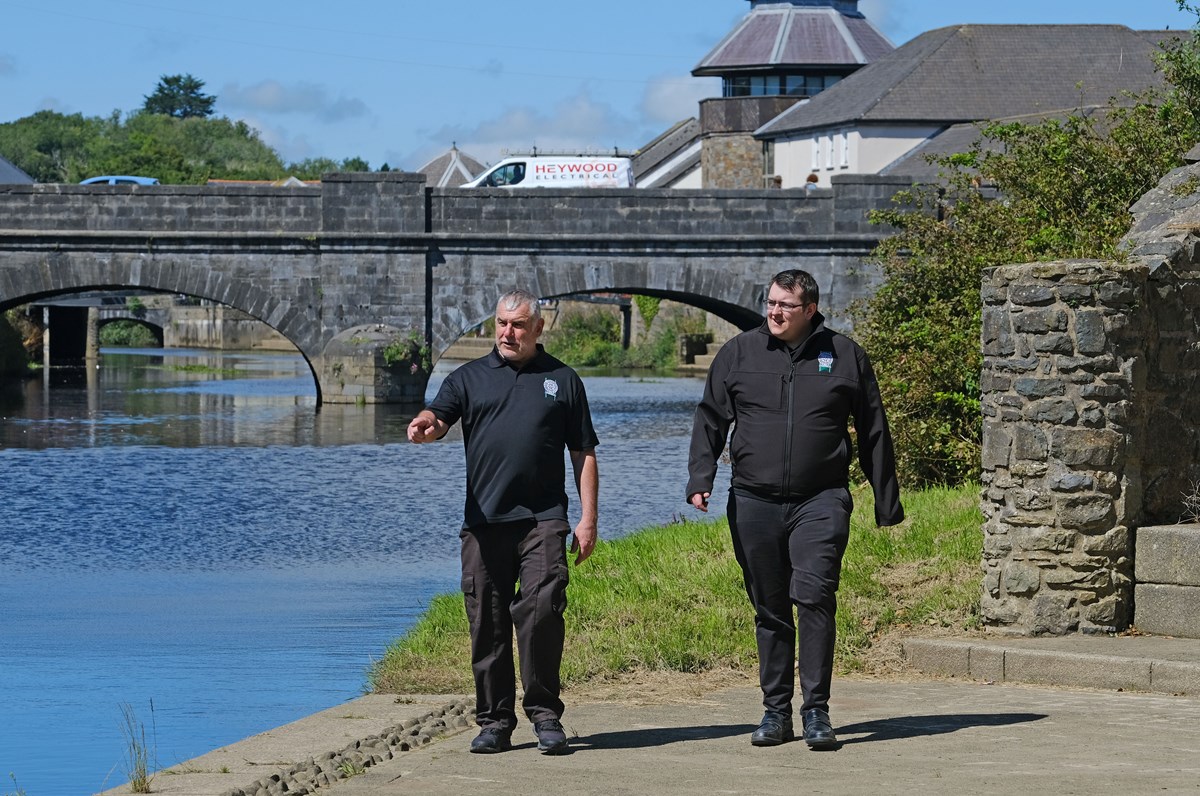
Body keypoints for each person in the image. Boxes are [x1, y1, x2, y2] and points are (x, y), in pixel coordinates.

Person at [686, 269, 903, 751]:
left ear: (810, 310)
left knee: (814, 596)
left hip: (821, 499)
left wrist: (886, 501)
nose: (774, 311)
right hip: (753, 500)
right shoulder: (739, 354)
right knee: (770, 607)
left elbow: (873, 430)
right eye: (770, 302)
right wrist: (701, 478)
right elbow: (710, 419)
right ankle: (775, 712)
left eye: (786, 305)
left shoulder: (845, 355)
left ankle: (817, 711)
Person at [407, 289, 599, 756]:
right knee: (487, 622)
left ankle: (545, 715)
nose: (507, 333)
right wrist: (427, 424)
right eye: (500, 324)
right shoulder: (468, 378)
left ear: (538, 329)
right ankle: (494, 721)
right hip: (484, 522)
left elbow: (584, 452)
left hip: (543, 519)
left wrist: (588, 518)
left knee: (542, 611)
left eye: (517, 325)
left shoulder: (563, 380)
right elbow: (439, 417)